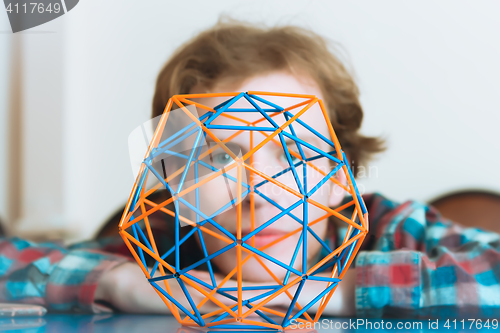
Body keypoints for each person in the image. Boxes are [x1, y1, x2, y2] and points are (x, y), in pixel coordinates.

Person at [1, 20, 500, 319]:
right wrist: (117, 283)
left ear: (339, 175)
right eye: (220, 157)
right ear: (176, 184)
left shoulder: (394, 229)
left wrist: (336, 292)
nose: (258, 193)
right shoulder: (168, 246)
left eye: (295, 153)